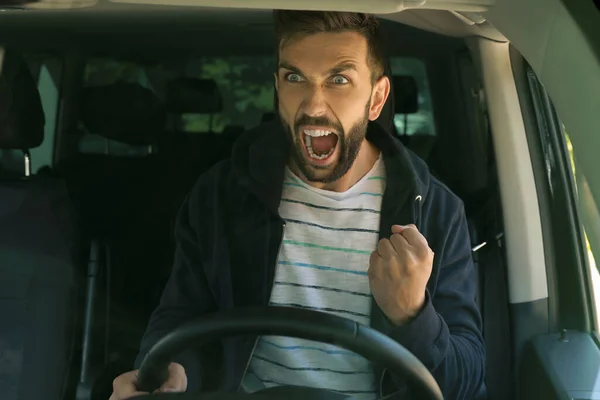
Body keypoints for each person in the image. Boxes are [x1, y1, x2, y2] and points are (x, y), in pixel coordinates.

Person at [110, 10, 486, 400]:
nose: (313, 106)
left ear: (376, 99)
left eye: (339, 80)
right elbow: (179, 318)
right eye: (295, 78)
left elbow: (465, 383)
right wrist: (167, 373)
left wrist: (412, 315)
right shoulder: (222, 194)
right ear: (277, 88)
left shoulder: (436, 212)